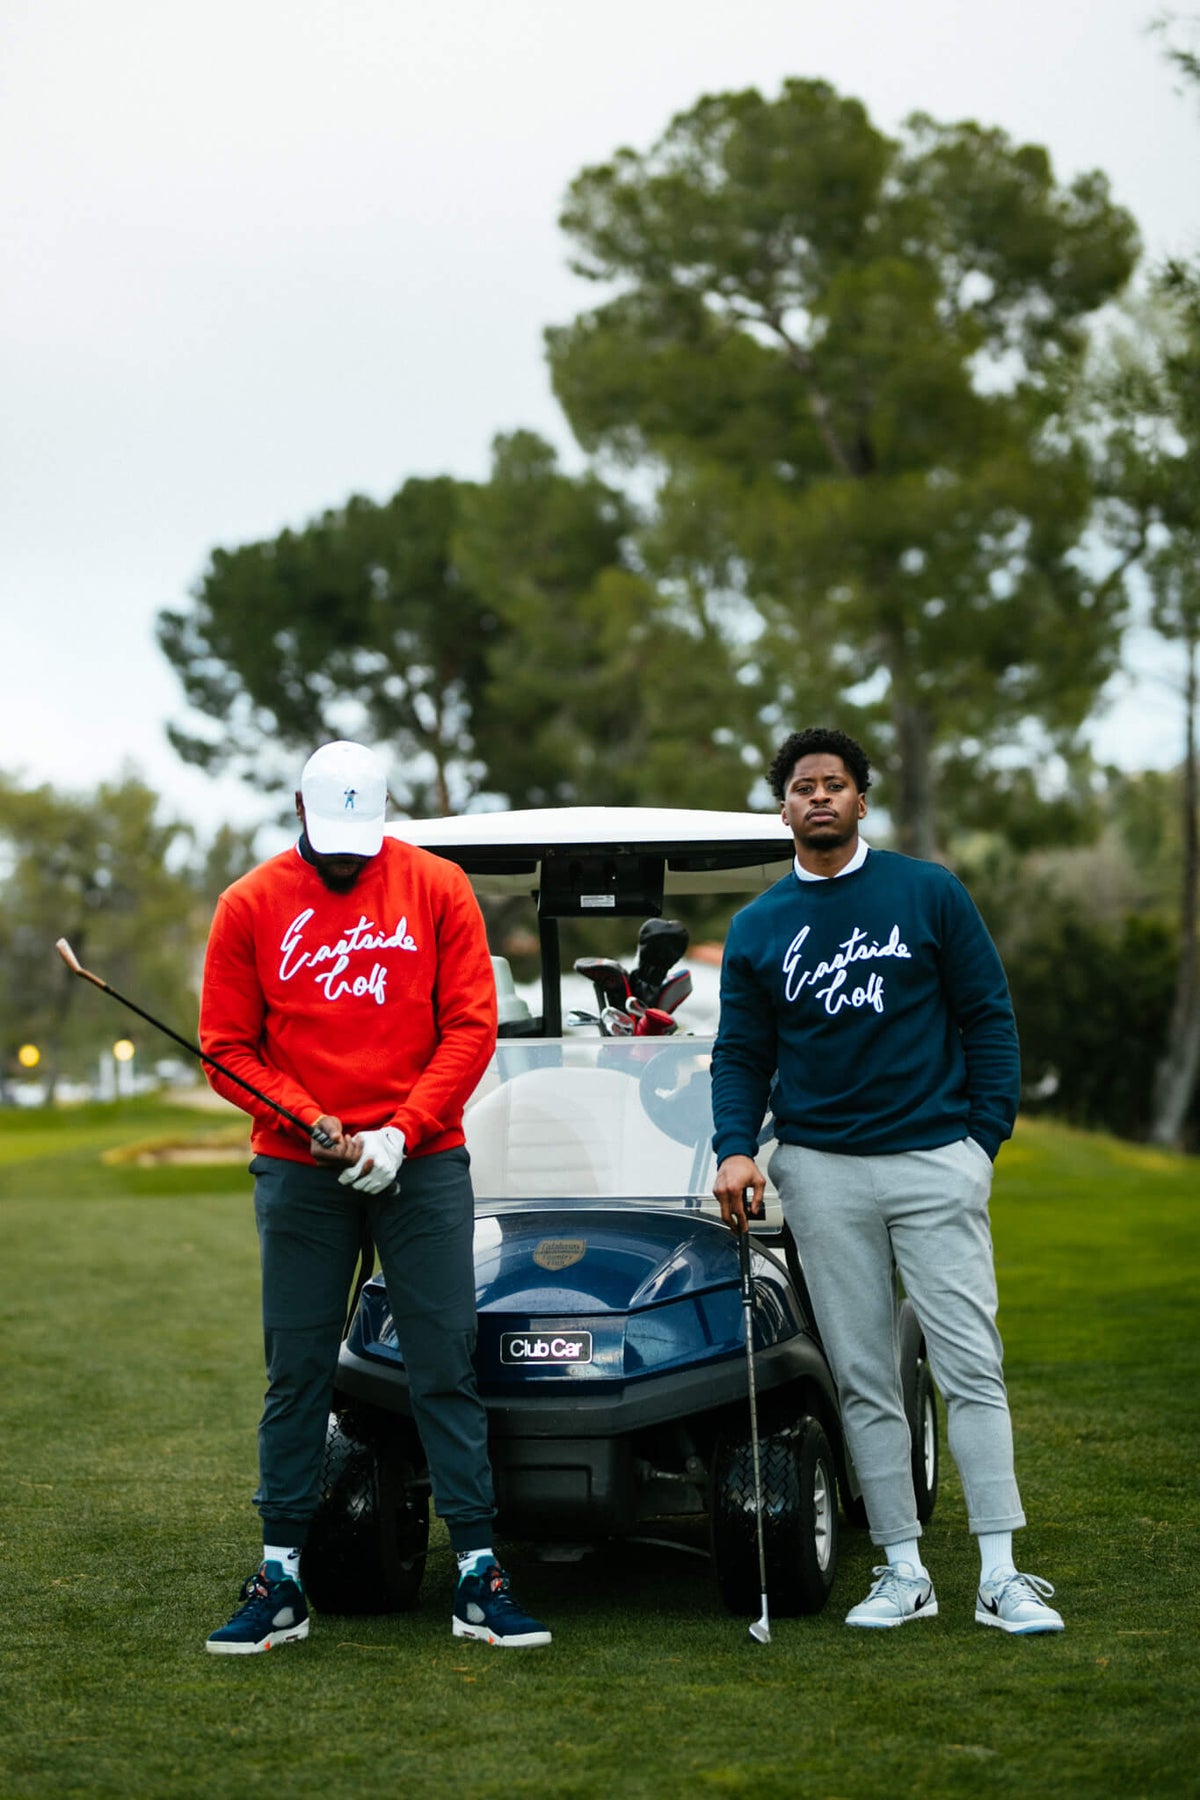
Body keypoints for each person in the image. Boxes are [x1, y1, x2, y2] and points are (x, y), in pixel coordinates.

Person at [198, 739, 551, 1654]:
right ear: (301, 811)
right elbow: (227, 1046)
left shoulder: (436, 887)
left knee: (444, 1361)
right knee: (298, 1369)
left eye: (365, 833)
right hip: (300, 1164)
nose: (350, 855)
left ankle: (479, 1573)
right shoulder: (249, 903)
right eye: (332, 835)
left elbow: (471, 1024)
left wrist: (401, 1132)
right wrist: (312, 1118)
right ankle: (280, 1575)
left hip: (423, 1160)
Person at [711, 726, 1063, 1636]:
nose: (818, 797)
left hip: (933, 1160)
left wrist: (979, 1144)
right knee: (865, 1376)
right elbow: (741, 1055)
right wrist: (734, 1147)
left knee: (969, 1368)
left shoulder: (928, 892)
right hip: (821, 1172)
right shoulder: (757, 927)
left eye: (835, 784)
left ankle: (999, 1572)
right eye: (801, 786)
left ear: (862, 800)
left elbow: (988, 1017)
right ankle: (903, 1569)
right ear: (783, 807)